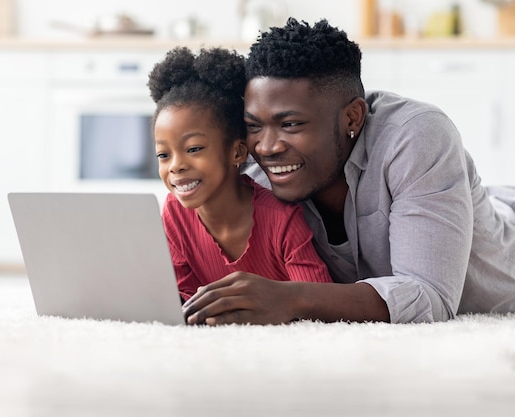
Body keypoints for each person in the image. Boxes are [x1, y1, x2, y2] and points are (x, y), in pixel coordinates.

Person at [182, 18, 515, 325]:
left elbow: (430, 296)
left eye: (291, 124)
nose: (267, 147)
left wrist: (294, 296)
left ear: (353, 118)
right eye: (254, 125)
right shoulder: (251, 165)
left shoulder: (415, 134)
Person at [147, 46, 332, 304]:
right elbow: (183, 299)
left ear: (237, 152)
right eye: (163, 155)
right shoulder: (175, 214)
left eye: (194, 149)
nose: (176, 166)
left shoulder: (282, 220)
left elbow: (319, 305)